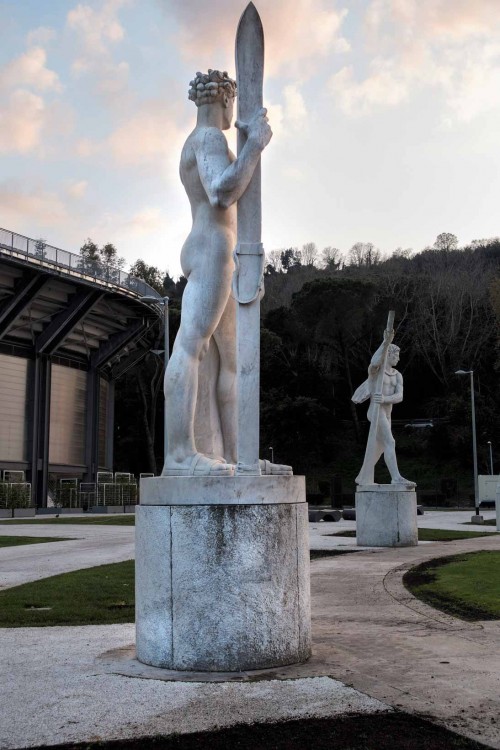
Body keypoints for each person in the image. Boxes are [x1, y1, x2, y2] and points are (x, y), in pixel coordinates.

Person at [162, 70, 289, 476]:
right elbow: (221, 192)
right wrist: (255, 144)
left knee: (232, 361)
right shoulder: (208, 139)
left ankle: (239, 458)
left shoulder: (201, 141)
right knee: (191, 346)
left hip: (226, 252)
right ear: (226, 101)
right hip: (211, 248)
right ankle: (180, 454)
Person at [352, 330, 415, 485]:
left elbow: (400, 396)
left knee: (380, 447)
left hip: (387, 413)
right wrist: (385, 342)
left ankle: (362, 476)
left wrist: (386, 398)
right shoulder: (376, 373)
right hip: (375, 412)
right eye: (396, 355)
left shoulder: (397, 375)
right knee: (390, 442)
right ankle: (396, 478)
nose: (398, 358)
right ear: (388, 355)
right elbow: (373, 363)